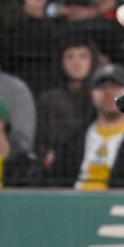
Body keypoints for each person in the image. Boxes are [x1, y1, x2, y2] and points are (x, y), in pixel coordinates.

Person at [35, 38, 98, 170]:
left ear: (92, 61)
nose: (77, 62)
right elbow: (40, 141)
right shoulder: (48, 100)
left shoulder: (99, 97)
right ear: (60, 61)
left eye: (83, 56)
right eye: (70, 57)